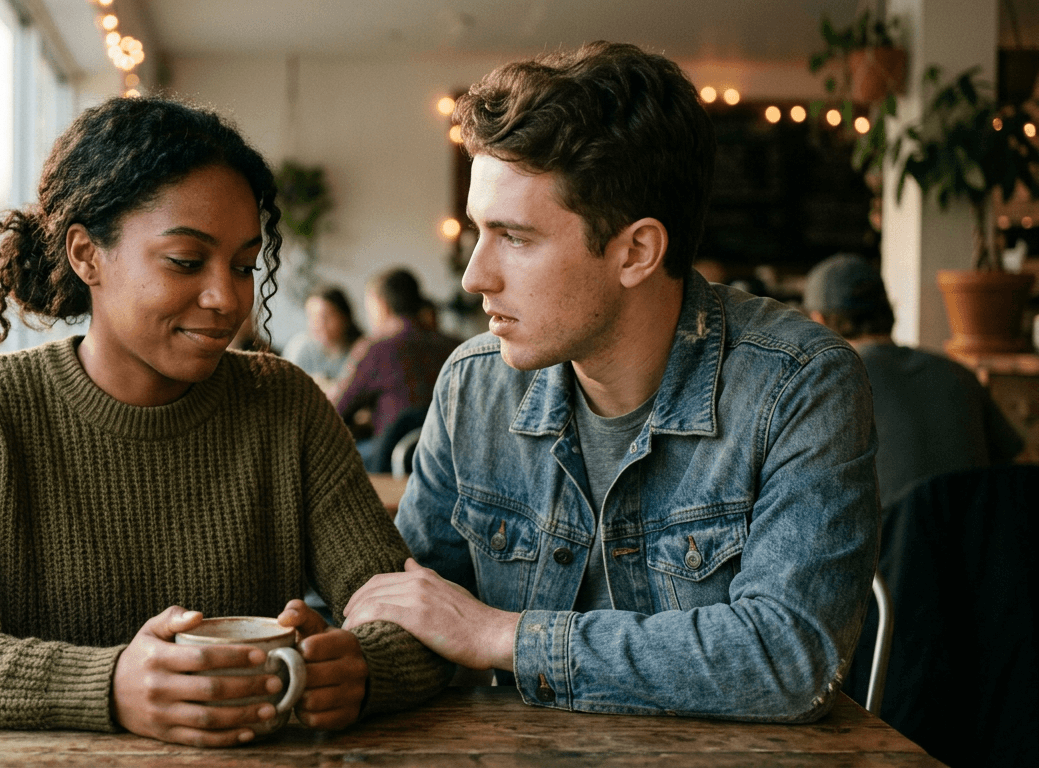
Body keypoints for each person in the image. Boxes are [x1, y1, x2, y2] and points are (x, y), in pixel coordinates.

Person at [0, 96, 451, 748]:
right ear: (86, 255)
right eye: (186, 260)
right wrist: (106, 685)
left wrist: (360, 668)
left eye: (244, 266)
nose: (226, 299)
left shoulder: (285, 406)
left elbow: (415, 617)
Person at [342, 42, 880, 722]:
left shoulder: (799, 387)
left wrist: (501, 636)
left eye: (514, 237)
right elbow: (419, 609)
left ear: (637, 252)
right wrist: (340, 660)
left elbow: (787, 659)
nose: (475, 275)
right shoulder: (474, 386)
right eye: (478, 232)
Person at [803, 253, 1022, 507]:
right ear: (889, 310)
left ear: (818, 321)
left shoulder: (826, 384)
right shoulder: (960, 374)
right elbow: (1015, 467)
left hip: (886, 532)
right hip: (973, 530)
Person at [333, 268, 458, 464]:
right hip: (450, 459)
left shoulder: (376, 349)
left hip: (391, 462)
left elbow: (335, 411)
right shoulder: (455, 346)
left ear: (382, 305)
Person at [282, 285, 363, 391]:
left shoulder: (362, 350)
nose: (320, 324)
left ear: (344, 317)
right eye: (313, 317)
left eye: (327, 316)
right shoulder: (299, 347)